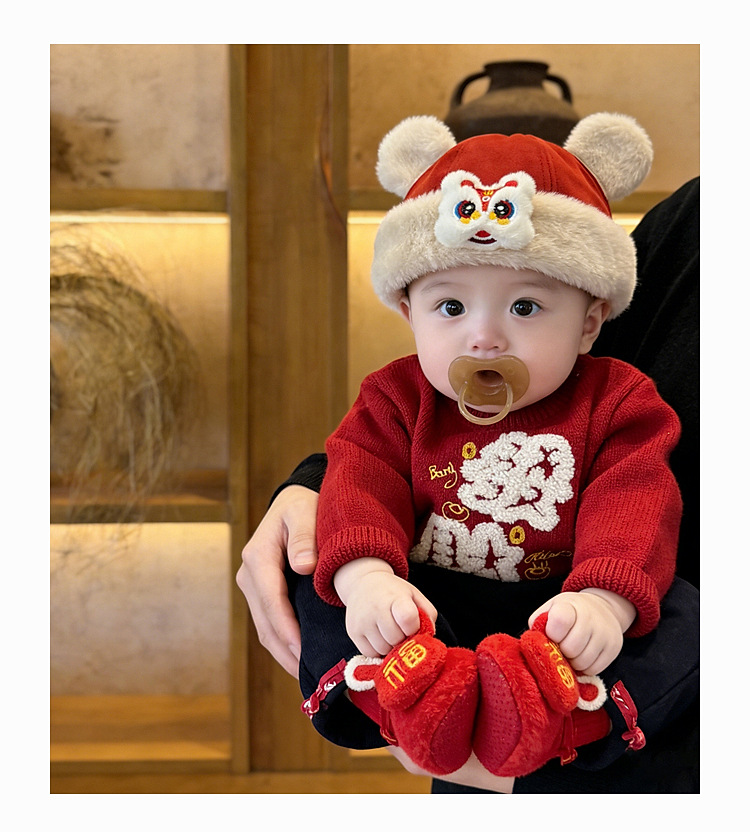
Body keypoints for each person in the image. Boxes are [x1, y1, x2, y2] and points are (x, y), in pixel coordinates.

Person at [237, 121, 700, 792]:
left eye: (526, 306)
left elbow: (636, 501)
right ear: (409, 313)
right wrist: (366, 577)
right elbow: (361, 481)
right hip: (427, 609)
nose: (484, 337)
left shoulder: (620, 400)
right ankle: (385, 696)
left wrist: (605, 601)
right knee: (320, 575)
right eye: (450, 305)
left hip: (557, 621)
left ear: (590, 323)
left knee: (686, 618)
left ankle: (572, 720)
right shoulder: (395, 397)